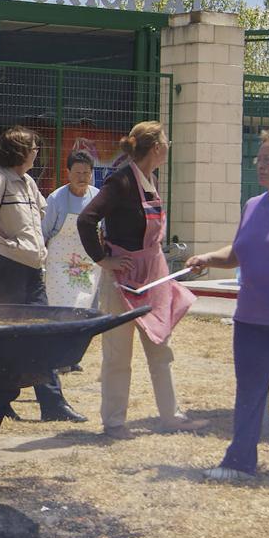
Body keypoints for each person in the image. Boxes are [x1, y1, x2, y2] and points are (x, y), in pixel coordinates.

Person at [186, 130, 269, 481]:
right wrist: (209, 258)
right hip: (252, 319)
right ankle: (239, 463)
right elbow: (240, 252)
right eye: (259, 159)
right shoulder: (252, 205)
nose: (261, 165)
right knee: (249, 392)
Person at [77, 121, 208, 440]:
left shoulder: (152, 179)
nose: (169, 147)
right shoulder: (120, 181)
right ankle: (114, 423)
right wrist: (103, 259)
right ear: (157, 149)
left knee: (160, 348)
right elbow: (86, 219)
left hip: (154, 278)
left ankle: (170, 416)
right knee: (118, 354)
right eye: (167, 142)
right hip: (122, 280)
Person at [0, 126, 86, 423]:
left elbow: (40, 214)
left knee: (40, 332)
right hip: (4, 266)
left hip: (32, 267)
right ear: (21, 152)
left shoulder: (26, 182)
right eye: (33, 148)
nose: (37, 152)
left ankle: (52, 404)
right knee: (5, 336)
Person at [43, 149, 101, 308]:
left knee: (87, 311)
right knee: (61, 312)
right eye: (77, 173)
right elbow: (44, 232)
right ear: (68, 172)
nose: (82, 177)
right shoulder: (56, 198)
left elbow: (104, 232)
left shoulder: (98, 198)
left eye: (86, 173)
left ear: (91, 173)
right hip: (59, 267)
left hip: (88, 267)